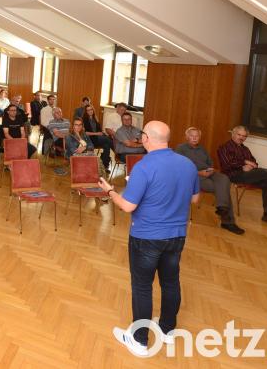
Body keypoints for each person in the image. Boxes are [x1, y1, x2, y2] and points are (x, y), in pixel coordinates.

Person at [97, 121, 200, 357]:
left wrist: (110, 191)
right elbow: (195, 199)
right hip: (177, 236)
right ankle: (167, 330)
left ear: (145, 138)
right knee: (171, 282)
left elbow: (127, 205)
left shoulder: (144, 167)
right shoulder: (187, 164)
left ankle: (139, 339)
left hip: (146, 238)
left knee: (142, 287)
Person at [175, 127, 244, 234]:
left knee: (224, 179)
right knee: (222, 189)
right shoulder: (181, 148)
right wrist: (199, 173)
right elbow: (179, 167)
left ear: (199, 138)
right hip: (194, 175)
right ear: (187, 137)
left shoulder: (202, 149)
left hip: (208, 172)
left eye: (196, 136)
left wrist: (210, 169)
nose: (194, 138)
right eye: (191, 136)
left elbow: (210, 162)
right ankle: (228, 221)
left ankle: (222, 209)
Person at [82, 104, 112, 170]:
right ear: (86, 112)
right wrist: (97, 133)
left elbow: (99, 130)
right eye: (88, 110)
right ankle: (116, 150)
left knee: (107, 145)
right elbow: (85, 133)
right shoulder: (84, 120)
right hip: (91, 139)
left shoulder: (95, 118)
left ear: (93, 110)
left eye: (91, 109)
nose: (90, 111)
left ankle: (105, 165)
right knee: (109, 141)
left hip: (98, 138)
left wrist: (102, 133)